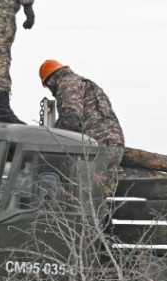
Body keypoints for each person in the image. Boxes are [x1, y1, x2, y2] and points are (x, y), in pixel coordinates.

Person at [39, 59, 124, 195]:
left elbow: (71, 120)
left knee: (85, 194)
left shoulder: (67, 83)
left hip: (96, 147)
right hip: (113, 143)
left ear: (50, 81)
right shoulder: (83, 83)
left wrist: (47, 142)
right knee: (100, 196)